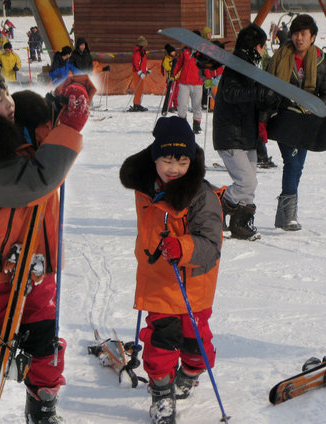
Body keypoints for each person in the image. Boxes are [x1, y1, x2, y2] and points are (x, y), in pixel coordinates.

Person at [0, 68, 93, 424]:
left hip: (35, 259)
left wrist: (73, 93)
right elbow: (35, 183)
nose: (8, 103)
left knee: (44, 334)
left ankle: (43, 399)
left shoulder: (19, 124)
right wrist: (70, 130)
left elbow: (51, 117)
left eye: (6, 93)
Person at [119, 116, 223, 424]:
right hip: (159, 282)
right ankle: (161, 393)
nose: (174, 169)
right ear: (155, 158)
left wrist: (183, 247)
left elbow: (211, 245)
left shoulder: (201, 196)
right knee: (161, 341)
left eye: (181, 161)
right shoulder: (147, 188)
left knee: (195, 342)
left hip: (193, 285)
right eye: (166, 159)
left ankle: (191, 371)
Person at [263, 14, 326, 231]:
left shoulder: (321, 62)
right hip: (284, 119)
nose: (299, 38)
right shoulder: (280, 57)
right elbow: (268, 89)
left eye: (303, 34)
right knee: (292, 163)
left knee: (297, 166)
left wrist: (311, 106)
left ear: (312, 37)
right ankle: (288, 216)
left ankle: (284, 215)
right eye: (295, 34)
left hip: (307, 121)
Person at [213, 24, 269, 241]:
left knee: (250, 183)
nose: (264, 53)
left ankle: (239, 224)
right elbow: (231, 93)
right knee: (246, 182)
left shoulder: (251, 69)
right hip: (230, 135)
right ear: (256, 47)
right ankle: (213, 208)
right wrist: (259, 92)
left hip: (247, 135)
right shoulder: (236, 68)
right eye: (263, 48)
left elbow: (252, 102)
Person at [172, 31, 204, 133]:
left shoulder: (202, 52)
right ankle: (182, 125)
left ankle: (196, 125)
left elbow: (206, 66)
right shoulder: (185, 50)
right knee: (182, 105)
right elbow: (179, 63)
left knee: (197, 106)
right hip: (184, 83)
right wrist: (173, 73)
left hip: (197, 83)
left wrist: (209, 78)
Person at [129, 36, 150, 112]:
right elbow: (136, 63)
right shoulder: (138, 52)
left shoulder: (142, 52)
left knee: (140, 89)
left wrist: (146, 70)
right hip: (137, 73)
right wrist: (140, 72)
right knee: (138, 89)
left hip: (141, 72)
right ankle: (136, 105)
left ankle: (138, 103)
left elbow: (142, 63)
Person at [161, 43, 179, 115]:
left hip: (177, 78)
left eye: (174, 51)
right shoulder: (167, 59)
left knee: (176, 92)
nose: (174, 53)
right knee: (171, 92)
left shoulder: (176, 58)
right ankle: (169, 105)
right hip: (170, 78)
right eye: (172, 52)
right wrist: (172, 69)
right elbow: (166, 67)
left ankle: (176, 105)